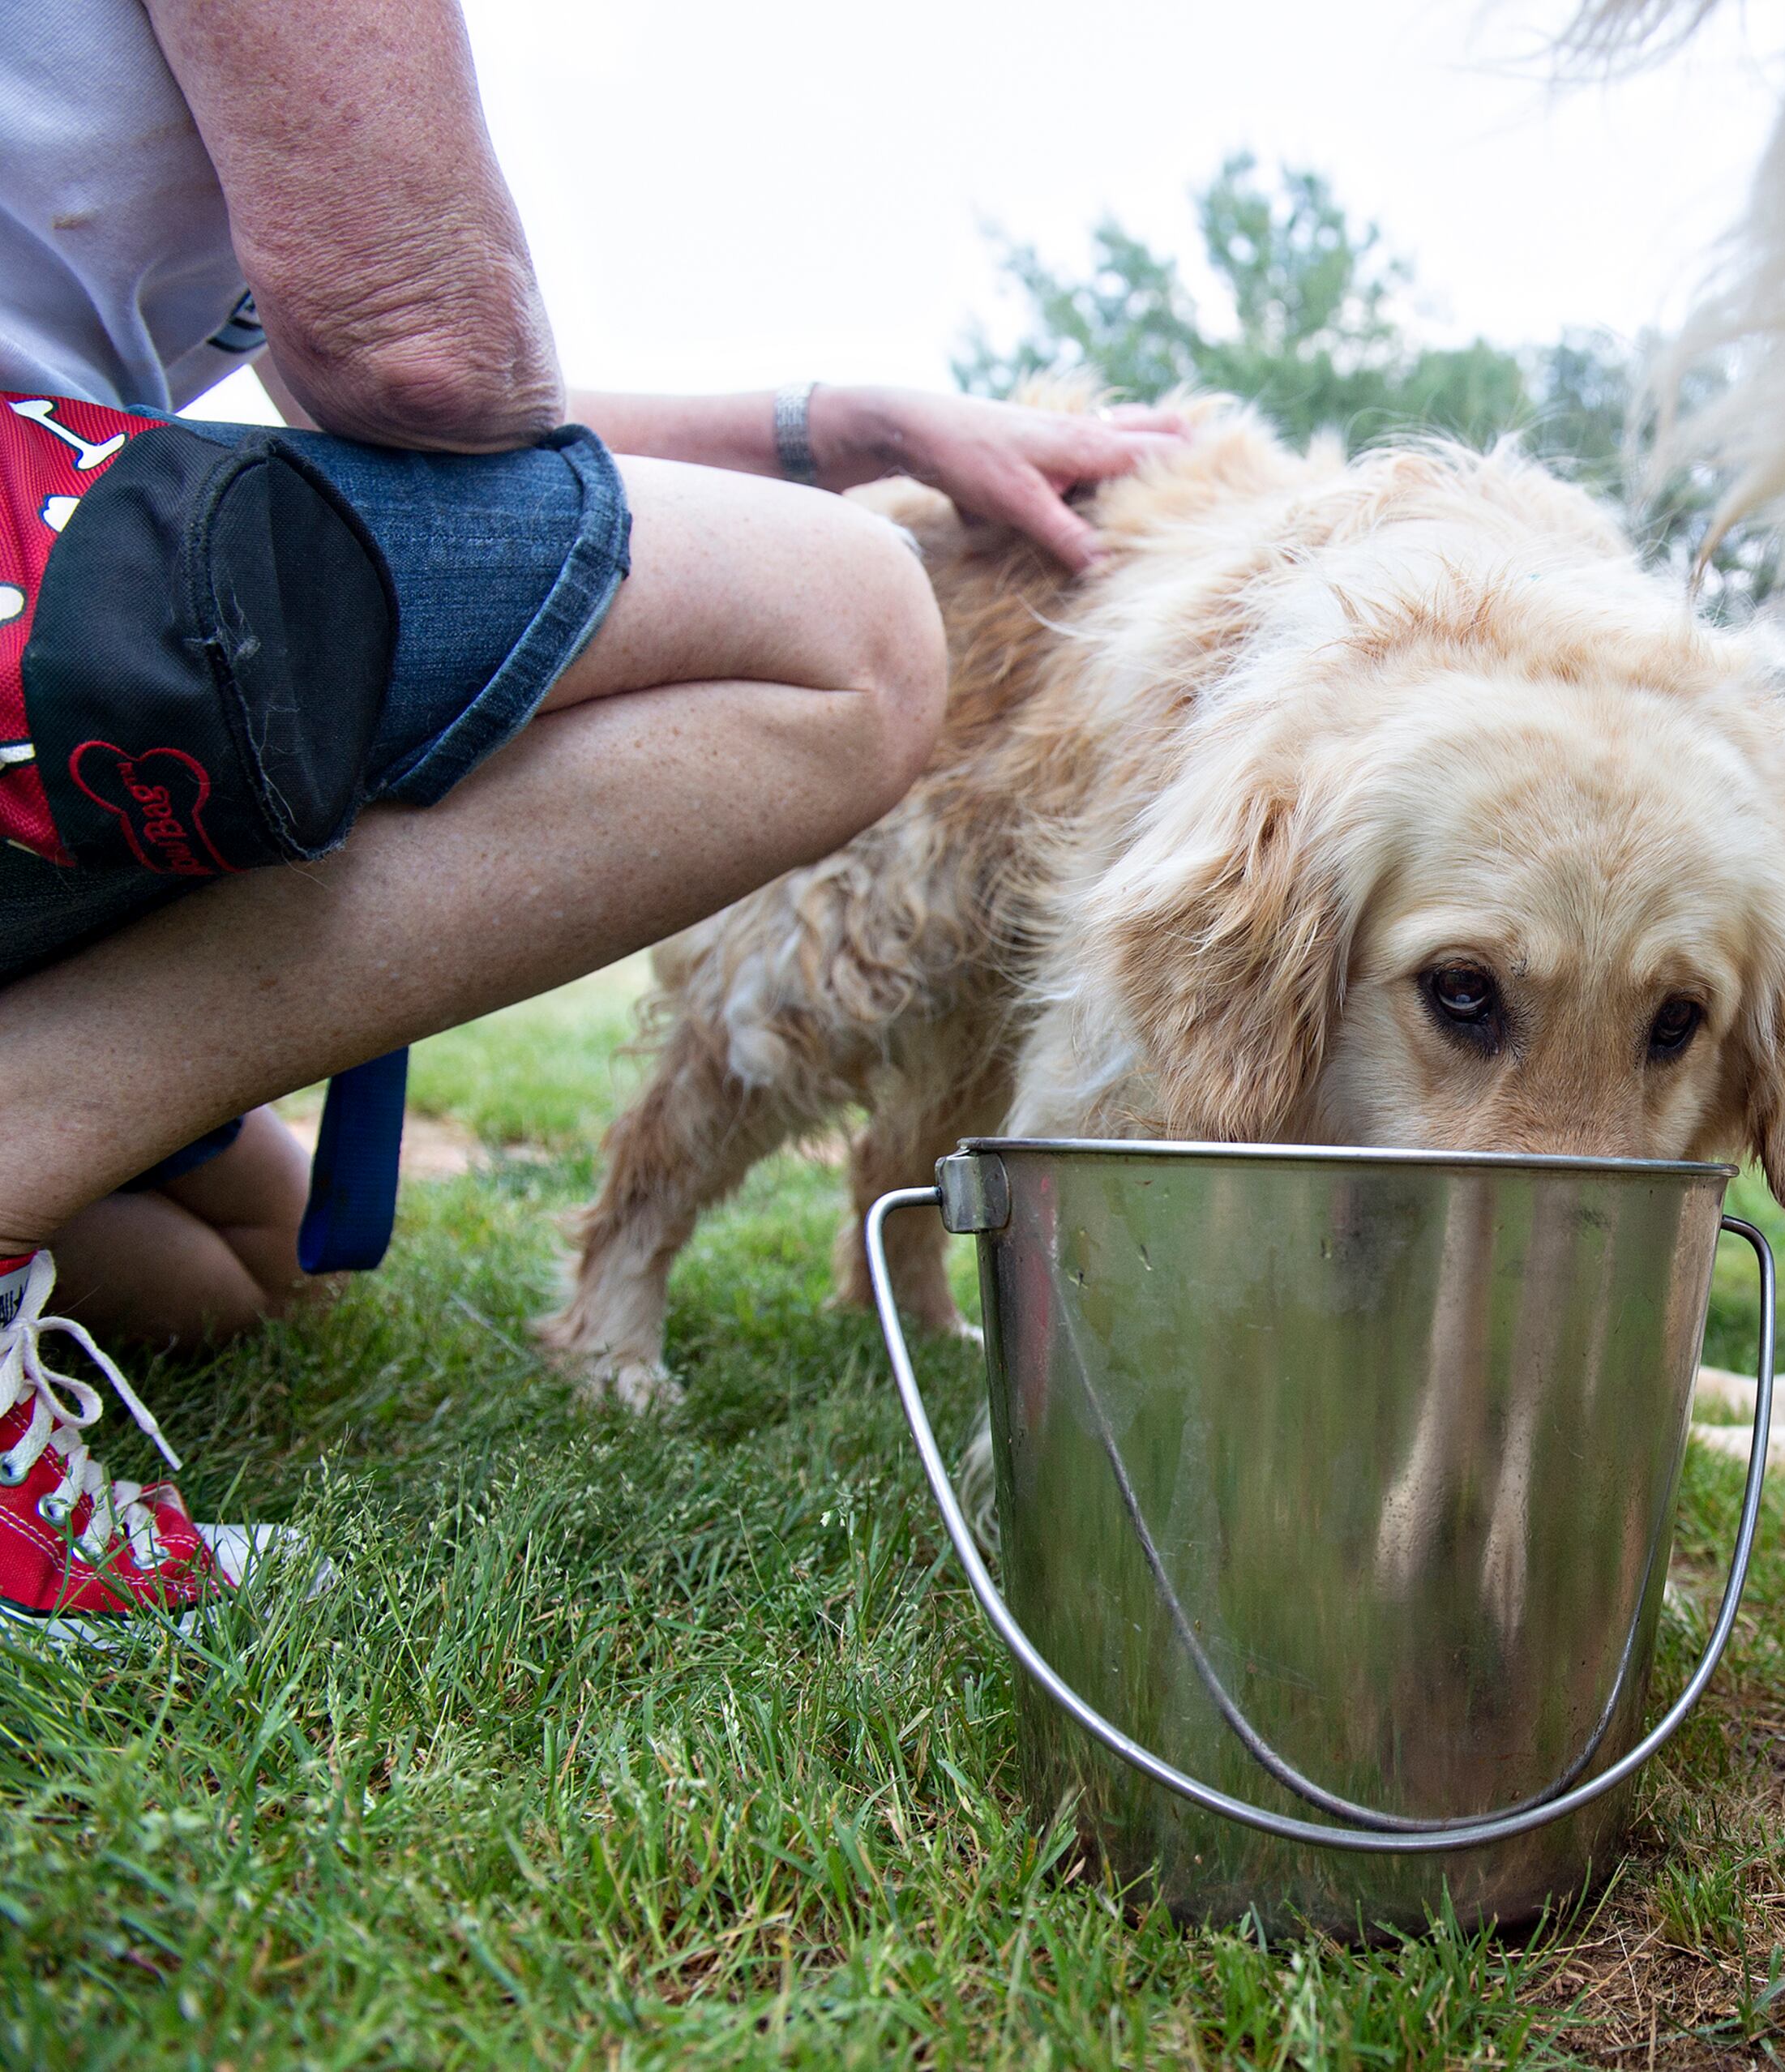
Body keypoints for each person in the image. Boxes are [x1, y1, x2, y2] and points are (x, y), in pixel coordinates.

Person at [0, 0, 1184, 1633]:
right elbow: (424, 360)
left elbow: (367, 410)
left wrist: (858, 429)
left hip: (55, 551)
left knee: (249, 1254)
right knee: (856, 633)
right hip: (24, 559)